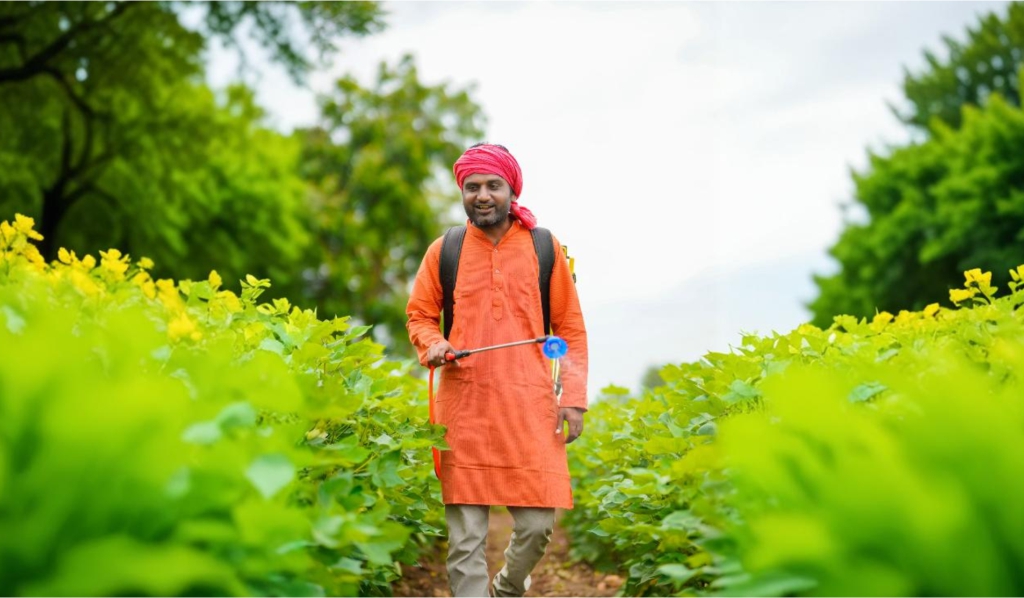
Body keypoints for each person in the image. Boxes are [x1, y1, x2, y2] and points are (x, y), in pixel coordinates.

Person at [406, 143, 589, 597]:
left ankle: (506, 588)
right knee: (465, 541)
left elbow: (571, 328)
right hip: (464, 408)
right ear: (462, 192)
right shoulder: (443, 250)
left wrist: (574, 398)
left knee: (537, 526)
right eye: (472, 187)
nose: (482, 195)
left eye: (493, 186)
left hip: (528, 407)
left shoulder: (544, 247)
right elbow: (420, 317)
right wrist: (435, 344)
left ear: (512, 190)